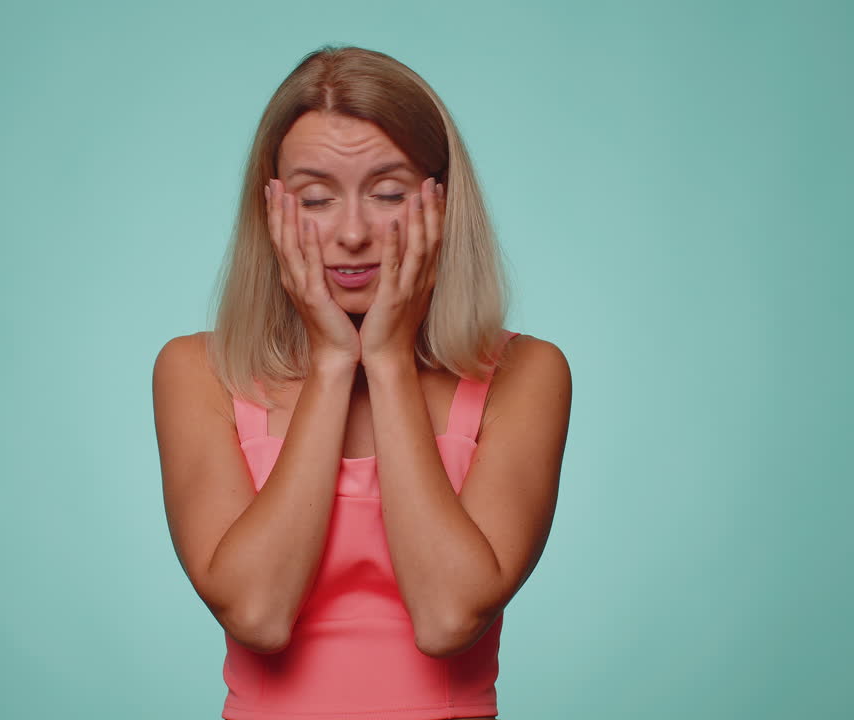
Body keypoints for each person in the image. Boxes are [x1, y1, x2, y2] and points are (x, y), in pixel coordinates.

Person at [152, 45, 571, 720]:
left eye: (388, 194)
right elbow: (257, 614)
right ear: (270, 208)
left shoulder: (527, 375)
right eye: (316, 199)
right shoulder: (197, 371)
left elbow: (448, 618)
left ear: (443, 202)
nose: (352, 233)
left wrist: (388, 358)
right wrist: (330, 362)